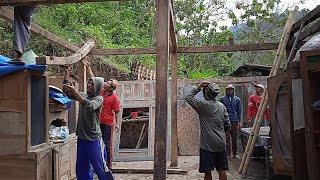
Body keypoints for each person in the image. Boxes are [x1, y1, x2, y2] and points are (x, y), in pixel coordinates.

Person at [62, 65, 113, 180]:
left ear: (97, 87)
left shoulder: (99, 99)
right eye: (89, 83)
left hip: (93, 139)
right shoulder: (84, 95)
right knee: (81, 167)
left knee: (100, 167)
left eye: (92, 84)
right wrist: (67, 73)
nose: (89, 85)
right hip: (82, 138)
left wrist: (76, 93)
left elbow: (90, 106)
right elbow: (67, 91)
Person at [185, 81, 230, 180]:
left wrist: (199, 87)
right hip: (221, 144)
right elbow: (228, 125)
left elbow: (188, 98)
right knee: (221, 170)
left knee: (207, 172)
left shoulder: (203, 105)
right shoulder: (221, 106)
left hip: (207, 145)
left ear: (206, 93)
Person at [83, 59, 120, 169]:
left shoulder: (114, 98)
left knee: (107, 144)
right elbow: (94, 78)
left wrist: (117, 124)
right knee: (97, 143)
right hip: (97, 122)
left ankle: (108, 166)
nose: (106, 83)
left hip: (107, 123)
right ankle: (98, 165)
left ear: (111, 88)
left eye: (108, 83)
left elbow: (117, 111)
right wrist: (88, 67)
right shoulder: (101, 91)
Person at [220, 84, 242, 159]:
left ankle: (235, 153)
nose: (230, 91)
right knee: (226, 137)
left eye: (231, 89)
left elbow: (239, 111)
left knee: (234, 137)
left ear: (233, 90)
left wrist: (239, 121)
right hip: (225, 120)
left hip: (234, 120)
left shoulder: (237, 99)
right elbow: (221, 110)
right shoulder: (222, 99)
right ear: (226, 90)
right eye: (228, 89)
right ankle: (228, 154)